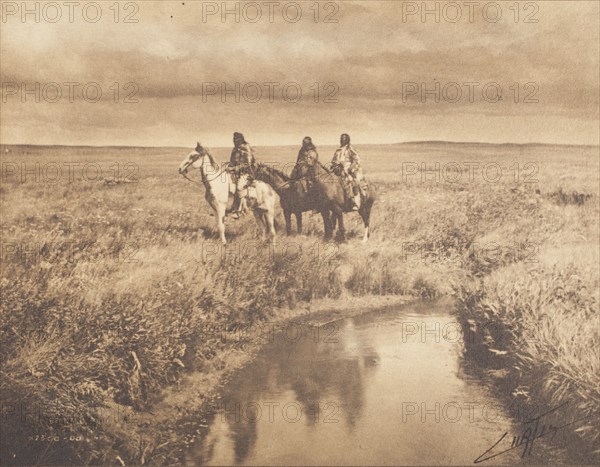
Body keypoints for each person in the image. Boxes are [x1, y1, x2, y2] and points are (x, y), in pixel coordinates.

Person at [331, 133, 365, 211]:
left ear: (347, 140)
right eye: (341, 138)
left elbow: (357, 160)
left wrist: (350, 168)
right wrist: (334, 165)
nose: (342, 140)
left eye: (344, 138)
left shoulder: (351, 149)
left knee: (351, 181)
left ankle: (355, 202)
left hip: (348, 169)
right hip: (338, 169)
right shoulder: (338, 150)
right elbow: (334, 160)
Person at [226, 132, 256, 218]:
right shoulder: (235, 149)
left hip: (247, 172)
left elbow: (247, 164)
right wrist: (229, 166)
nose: (234, 141)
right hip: (236, 173)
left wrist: (233, 169)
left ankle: (238, 211)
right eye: (233, 140)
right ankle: (229, 207)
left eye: (236, 140)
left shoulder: (245, 148)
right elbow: (232, 161)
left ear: (240, 140)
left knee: (239, 187)